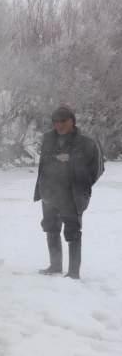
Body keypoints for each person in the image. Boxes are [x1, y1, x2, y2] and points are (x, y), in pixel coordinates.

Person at [33, 106, 103, 279]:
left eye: (63, 121)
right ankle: (55, 266)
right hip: (50, 190)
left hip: (72, 194)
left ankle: (73, 273)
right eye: (56, 122)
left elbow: (98, 168)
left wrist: (82, 183)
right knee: (51, 227)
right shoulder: (48, 138)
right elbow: (44, 162)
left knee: (72, 230)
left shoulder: (86, 142)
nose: (59, 125)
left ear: (72, 120)